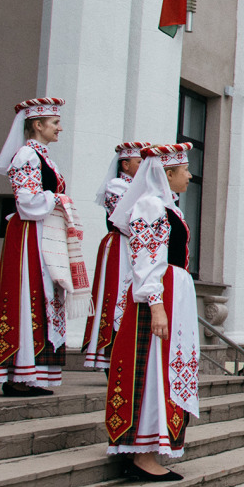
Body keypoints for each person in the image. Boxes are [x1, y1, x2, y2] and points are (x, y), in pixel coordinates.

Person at [104, 143, 201, 480]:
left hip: (173, 291)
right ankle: (141, 454)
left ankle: (152, 448)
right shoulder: (149, 207)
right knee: (151, 368)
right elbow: (145, 260)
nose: (189, 176)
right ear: (167, 174)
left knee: (166, 367)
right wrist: (156, 306)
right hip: (159, 296)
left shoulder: (165, 207)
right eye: (184, 170)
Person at [0, 97, 75, 396]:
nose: (59, 128)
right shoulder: (26, 156)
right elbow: (27, 202)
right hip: (28, 234)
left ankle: (32, 374)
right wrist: (59, 199)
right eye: (55, 123)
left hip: (42, 232)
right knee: (29, 293)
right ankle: (18, 373)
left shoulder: (42, 156)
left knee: (44, 295)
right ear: (37, 125)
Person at [82, 141, 146, 371]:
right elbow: (124, 221)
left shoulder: (145, 188)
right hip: (122, 246)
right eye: (139, 162)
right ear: (125, 164)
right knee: (118, 293)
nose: (143, 167)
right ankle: (111, 350)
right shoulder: (117, 186)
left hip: (139, 249)